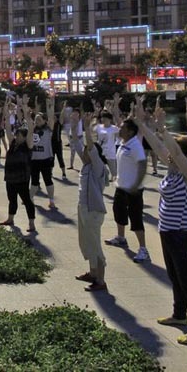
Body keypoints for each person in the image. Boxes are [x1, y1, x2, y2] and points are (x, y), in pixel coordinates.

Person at [132, 98, 187, 345]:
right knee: (175, 277)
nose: (168, 156)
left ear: (183, 155)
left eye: (175, 153)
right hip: (167, 231)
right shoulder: (174, 170)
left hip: (182, 234)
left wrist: (163, 129)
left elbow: (171, 150)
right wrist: (142, 124)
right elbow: (157, 146)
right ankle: (178, 314)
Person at [105, 118, 150, 263]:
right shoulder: (123, 143)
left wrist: (136, 185)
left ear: (130, 131)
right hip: (121, 186)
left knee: (135, 218)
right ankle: (121, 238)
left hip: (133, 190)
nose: (120, 130)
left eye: (123, 128)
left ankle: (143, 249)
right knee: (118, 212)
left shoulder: (135, 145)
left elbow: (143, 165)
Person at [75, 113, 109, 291]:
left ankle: (101, 281)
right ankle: (92, 272)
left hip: (94, 211)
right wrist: (74, 125)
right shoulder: (86, 165)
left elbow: (89, 148)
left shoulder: (98, 167)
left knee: (94, 244)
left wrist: (87, 128)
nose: (85, 153)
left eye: (88, 151)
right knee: (86, 242)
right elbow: (76, 143)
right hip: (83, 208)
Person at [0, 110, 35, 232]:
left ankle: (31, 224)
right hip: (10, 178)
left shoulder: (28, 146)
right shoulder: (13, 144)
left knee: (27, 201)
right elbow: (8, 130)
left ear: (24, 138)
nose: (16, 136)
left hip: (22, 179)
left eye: (19, 135)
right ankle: (10, 219)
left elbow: (30, 132)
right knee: (12, 199)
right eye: (17, 134)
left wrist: (28, 116)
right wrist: (7, 117)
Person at [30, 96, 57, 210]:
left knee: (48, 181)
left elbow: (51, 118)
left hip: (45, 159)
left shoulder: (48, 130)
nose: (37, 121)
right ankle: (30, 199)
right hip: (34, 160)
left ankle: (51, 200)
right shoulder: (32, 130)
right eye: (36, 119)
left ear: (44, 120)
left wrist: (50, 106)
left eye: (39, 119)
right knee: (34, 182)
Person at [95, 111, 119, 181]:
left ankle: (118, 187)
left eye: (105, 118)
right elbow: (93, 135)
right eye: (102, 118)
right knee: (98, 171)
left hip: (110, 152)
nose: (103, 119)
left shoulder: (114, 128)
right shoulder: (98, 127)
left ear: (110, 119)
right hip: (100, 152)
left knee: (114, 172)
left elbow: (120, 137)